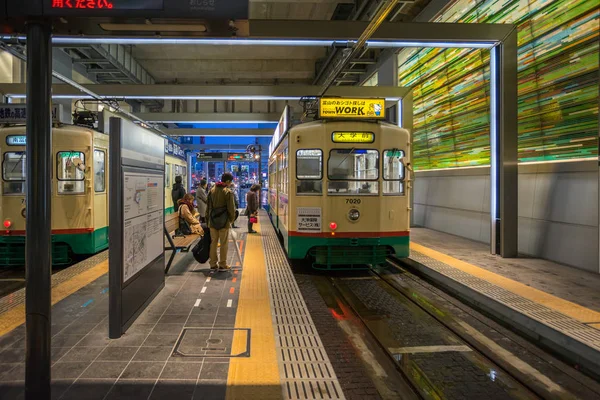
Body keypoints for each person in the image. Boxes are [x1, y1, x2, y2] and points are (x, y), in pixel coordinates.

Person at [206, 172, 236, 270]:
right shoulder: (227, 192)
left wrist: (208, 220)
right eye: (230, 182)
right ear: (227, 181)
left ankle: (213, 264)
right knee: (224, 243)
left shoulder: (212, 190)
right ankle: (222, 264)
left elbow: (208, 207)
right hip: (224, 221)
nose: (230, 184)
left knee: (213, 242)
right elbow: (231, 208)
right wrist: (231, 219)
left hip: (212, 220)